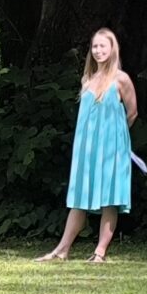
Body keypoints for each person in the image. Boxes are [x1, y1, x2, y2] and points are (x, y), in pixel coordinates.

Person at [39, 28, 138, 263]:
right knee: (79, 197)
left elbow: (132, 113)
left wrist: (116, 139)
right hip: (86, 149)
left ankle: (100, 252)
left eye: (103, 46)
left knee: (109, 199)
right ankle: (62, 250)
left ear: (112, 49)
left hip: (112, 149)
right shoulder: (87, 79)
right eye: (95, 46)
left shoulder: (121, 79)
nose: (98, 50)